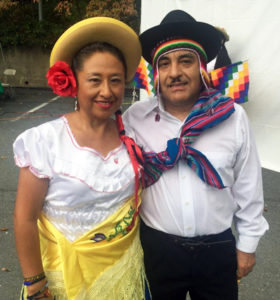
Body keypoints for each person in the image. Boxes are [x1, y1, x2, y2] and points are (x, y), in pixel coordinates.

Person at [123, 10, 269, 300]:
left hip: (217, 251)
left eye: (185, 61)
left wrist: (248, 245)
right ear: (156, 72)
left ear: (202, 66)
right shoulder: (134, 119)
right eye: (164, 63)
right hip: (156, 250)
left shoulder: (232, 117)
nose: (174, 72)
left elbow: (248, 186)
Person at [13, 17, 150, 300]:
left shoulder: (133, 135)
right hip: (60, 281)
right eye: (95, 80)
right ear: (74, 83)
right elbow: (25, 218)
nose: (107, 91)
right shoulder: (44, 141)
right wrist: (36, 285)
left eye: (115, 80)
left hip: (125, 274)